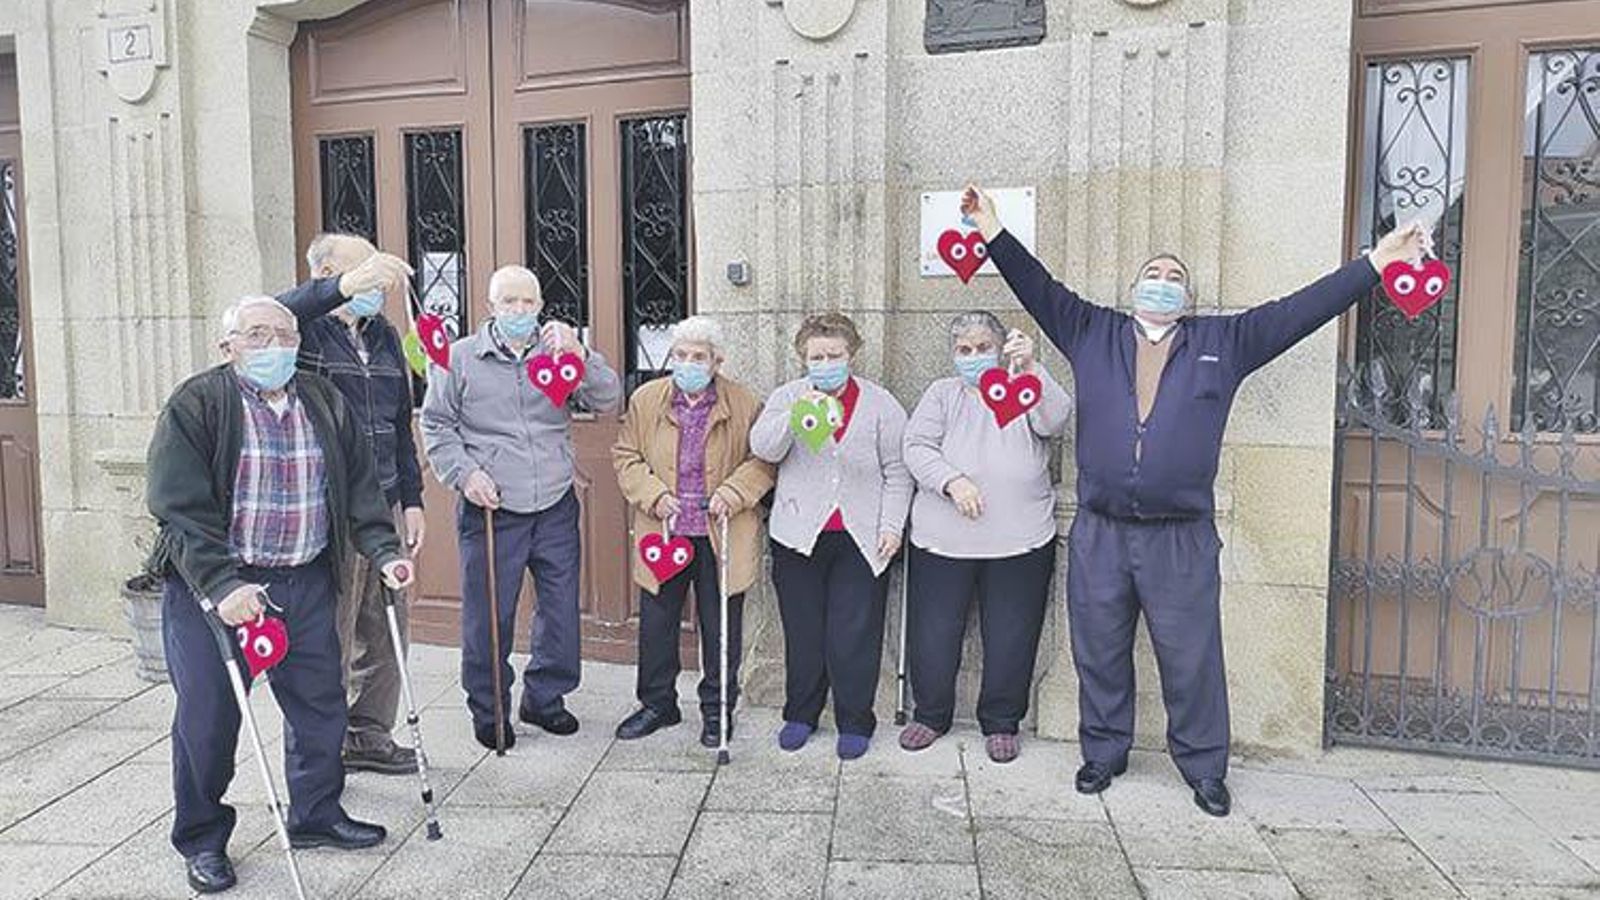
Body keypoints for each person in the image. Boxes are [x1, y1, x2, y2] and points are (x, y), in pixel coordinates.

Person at [961, 184, 1429, 816]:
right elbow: (1036, 284)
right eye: (1152, 273)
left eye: (1173, 275)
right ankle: (1103, 753)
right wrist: (990, 228)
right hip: (1101, 530)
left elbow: (1303, 309)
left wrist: (1378, 261)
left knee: (1192, 656)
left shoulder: (1225, 342)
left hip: (1179, 535)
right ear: (1133, 288)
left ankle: (1204, 767)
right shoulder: (1090, 330)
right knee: (1098, 647)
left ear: (1189, 297)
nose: (1162, 280)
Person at [145, 296, 416, 893]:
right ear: (229, 347)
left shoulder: (322, 399)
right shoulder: (198, 404)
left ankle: (316, 813)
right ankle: (202, 838)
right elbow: (179, 509)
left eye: (284, 336)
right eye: (257, 335)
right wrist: (223, 584)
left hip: (305, 579)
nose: (273, 346)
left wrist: (385, 550)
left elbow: (360, 488)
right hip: (215, 589)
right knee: (208, 718)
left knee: (320, 704)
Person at [419, 265, 622, 750]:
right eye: (508, 302)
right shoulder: (460, 359)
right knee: (489, 615)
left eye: (528, 303)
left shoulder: (556, 354)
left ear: (540, 308)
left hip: (553, 502)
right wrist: (467, 475)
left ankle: (545, 699)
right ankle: (489, 710)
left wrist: (581, 352)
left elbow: (607, 397)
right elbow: (436, 426)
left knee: (559, 609)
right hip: (492, 508)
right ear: (490, 307)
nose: (519, 312)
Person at [275, 233, 425, 776]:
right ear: (327, 272)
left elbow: (400, 426)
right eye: (362, 270)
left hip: (382, 505)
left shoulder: (384, 335)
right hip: (327, 509)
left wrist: (412, 500)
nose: (376, 281)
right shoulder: (300, 331)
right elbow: (273, 308)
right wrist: (339, 290)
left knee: (387, 628)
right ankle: (323, 748)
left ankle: (369, 735)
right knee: (329, 632)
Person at [900, 311, 1071, 764]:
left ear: (1001, 348)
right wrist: (952, 481)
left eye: (983, 348)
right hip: (943, 539)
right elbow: (915, 447)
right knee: (934, 631)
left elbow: (1056, 421)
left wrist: (1032, 368)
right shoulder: (941, 394)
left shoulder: (1023, 388)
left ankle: (1001, 721)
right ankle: (931, 714)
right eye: (964, 349)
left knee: (1012, 634)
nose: (974, 357)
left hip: (1021, 539)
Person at [750, 312, 912, 760]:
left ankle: (855, 720)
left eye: (833, 355)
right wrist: (798, 411)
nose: (825, 363)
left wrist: (892, 526)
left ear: (851, 354)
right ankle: (800, 714)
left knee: (854, 633)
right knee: (803, 632)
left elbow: (899, 471)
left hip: (860, 536)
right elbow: (764, 448)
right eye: (815, 357)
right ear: (803, 359)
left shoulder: (881, 405)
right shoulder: (788, 396)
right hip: (799, 534)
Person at [610, 316, 775, 746]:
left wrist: (734, 493)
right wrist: (653, 494)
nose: (687, 364)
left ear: (716, 361)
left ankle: (718, 709)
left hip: (721, 529)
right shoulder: (647, 400)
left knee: (721, 625)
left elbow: (762, 462)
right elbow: (625, 455)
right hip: (664, 529)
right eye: (680, 355)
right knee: (657, 622)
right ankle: (657, 704)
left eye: (698, 356)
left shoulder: (744, 404)